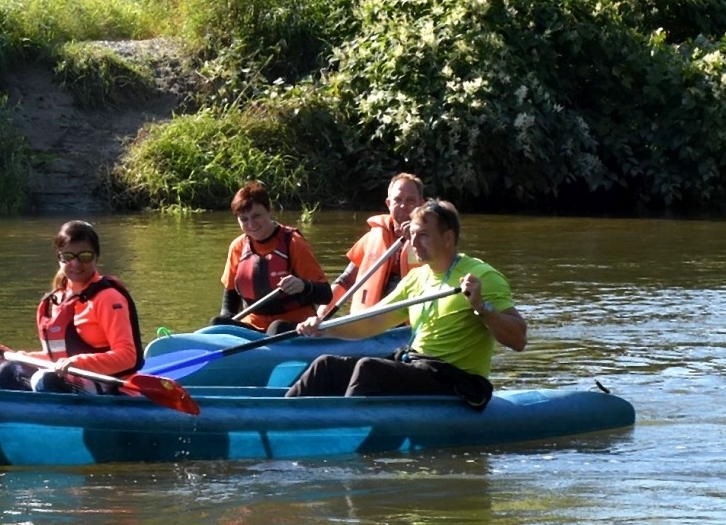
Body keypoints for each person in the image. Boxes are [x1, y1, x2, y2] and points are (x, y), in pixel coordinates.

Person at [284, 198, 527, 409]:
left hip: (457, 379)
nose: (414, 243)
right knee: (325, 365)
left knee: (369, 369)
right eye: (412, 235)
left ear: (448, 238)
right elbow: (372, 322)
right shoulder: (417, 277)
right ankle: (280, 420)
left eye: (423, 235)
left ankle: (344, 441)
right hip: (417, 365)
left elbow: (518, 340)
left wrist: (482, 308)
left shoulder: (482, 276)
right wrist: (324, 328)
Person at [0, 220, 143, 394]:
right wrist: (19, 357)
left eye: (84, 256)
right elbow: (55, 358)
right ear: (59, 258)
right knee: (8, 370)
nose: (76, 264)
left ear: (96, 257)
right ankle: (35, 411)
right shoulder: (56, 300)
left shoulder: (108, 298)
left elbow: (127, 357)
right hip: (67, 379)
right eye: (68, 257)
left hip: (113, 386)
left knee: (47, 380)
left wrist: (77, 363)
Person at [214, 180, 332, 334]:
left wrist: (303, 285)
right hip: (253, 328)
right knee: (218, 323)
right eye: (244, 219)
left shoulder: (294, 243)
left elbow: (326, 295)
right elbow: (229, 301)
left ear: (269, 211)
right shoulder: (238, 247)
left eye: (256, 216)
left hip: (293, 325)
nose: (251, 224)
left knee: (276, 328)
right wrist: (225, 330)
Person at [322, 172, 423, 317]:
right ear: (388, 204)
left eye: (411, 201)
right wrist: (321, 314)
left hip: (412, 323)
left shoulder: (431, 240)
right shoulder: (372, 238)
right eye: (398, 200)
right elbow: (346, 280)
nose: (403, 205)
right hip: (370, 323)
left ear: (421, 204)